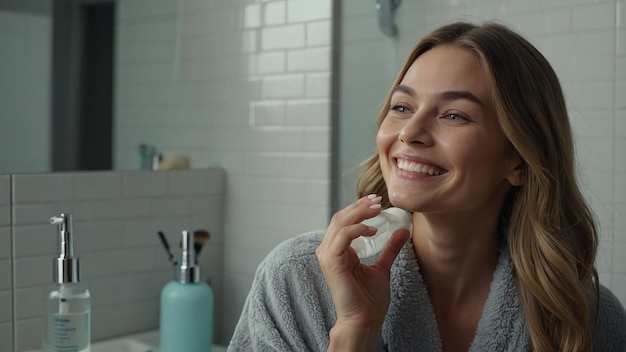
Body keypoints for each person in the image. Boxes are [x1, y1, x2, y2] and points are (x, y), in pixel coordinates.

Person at [228, 21, 626, 351]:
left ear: (518, 159)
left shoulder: (586, 317)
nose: (410, 133)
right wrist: (354, 331)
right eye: (401, 107)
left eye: (454, 115)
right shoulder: (295, 281)